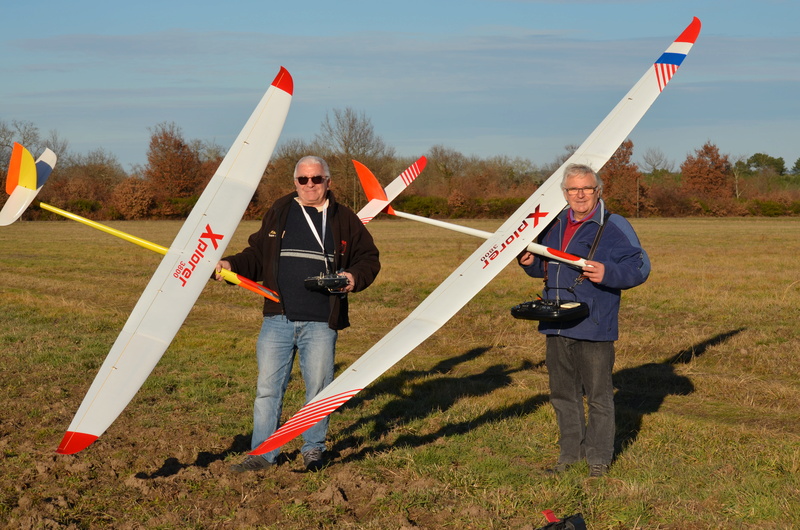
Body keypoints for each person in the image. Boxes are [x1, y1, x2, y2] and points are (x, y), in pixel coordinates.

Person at [216, 155, 380, 472]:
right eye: (302, 179)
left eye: (316, 179)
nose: (309, 185)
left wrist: (352, 278)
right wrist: (230, 266)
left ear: (328, 182)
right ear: (295, 183)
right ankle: (262, 454)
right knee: (267, 391)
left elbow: (369, 259)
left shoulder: (344, 218)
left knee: (318, 390)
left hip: (321, 320)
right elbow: (257, 256)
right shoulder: (280, 212)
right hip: (278, 319)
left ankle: (314, 449)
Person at [517, 163, 650, 477]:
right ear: (564, 193)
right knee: (563, 394)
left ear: (598, 191)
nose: (579, 195)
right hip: (556, 320)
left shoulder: (613, 225)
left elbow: (641, 267)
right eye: (573, 189)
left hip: (594, 323)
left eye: (586, 188)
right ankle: (569, 457)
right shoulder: (554, 224)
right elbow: (546, 270)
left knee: (599, 396)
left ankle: (598, 461)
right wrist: (529, 262)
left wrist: (608, 273)